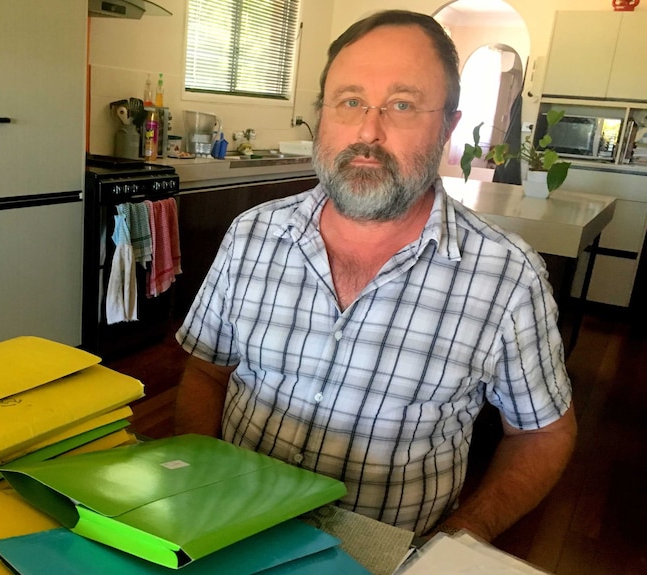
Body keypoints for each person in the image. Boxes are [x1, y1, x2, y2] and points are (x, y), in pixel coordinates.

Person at [173, 10, 577, 541]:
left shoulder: (507, 278)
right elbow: (207, 372)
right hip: (229, 529)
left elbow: (543, 434)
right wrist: (194, 491)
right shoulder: (254, 233)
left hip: (384, 556)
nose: (367, 130)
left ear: (449, 127)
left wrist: (459, 539)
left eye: (403, 105)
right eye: (350, 101)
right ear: (324, 115)